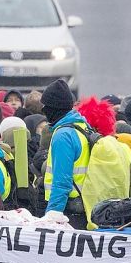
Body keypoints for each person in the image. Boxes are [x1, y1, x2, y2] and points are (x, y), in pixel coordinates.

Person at [40, 80, 91, 229]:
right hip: (84, 207)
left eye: (45, 106)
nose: (43, 110)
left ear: (53, 108)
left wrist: (53, 215)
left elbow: (62, 181)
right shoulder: (82, 127)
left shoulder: (63, 135)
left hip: (68, 211)